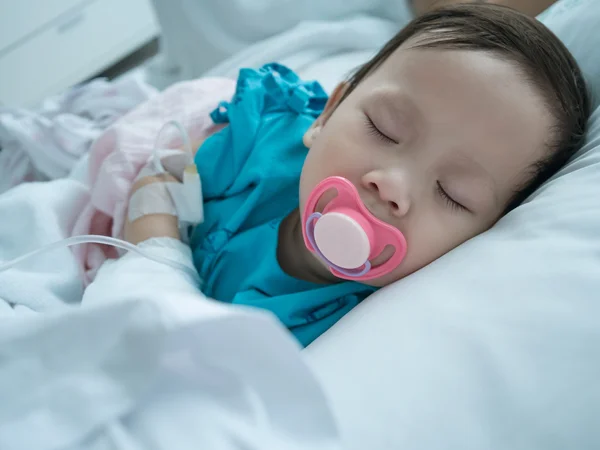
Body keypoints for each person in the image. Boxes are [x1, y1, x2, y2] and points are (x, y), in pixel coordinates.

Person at [123, 4, 590, 346]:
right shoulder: (262, 143)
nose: (392, 184)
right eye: (383, 129)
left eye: (453, 194)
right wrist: (156, 259)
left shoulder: (364, 333)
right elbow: (157, 178)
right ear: (329, 113)